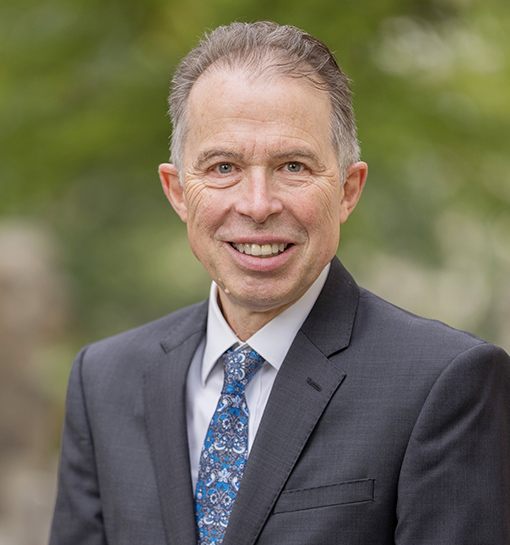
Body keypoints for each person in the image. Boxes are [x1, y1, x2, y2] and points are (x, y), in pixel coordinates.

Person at [49, 21, 510, 545]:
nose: (258, 204)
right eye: (223, 167)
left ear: (347, 189)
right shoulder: (103, 380)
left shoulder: (445, 384)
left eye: (293, 165)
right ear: (178, 191)